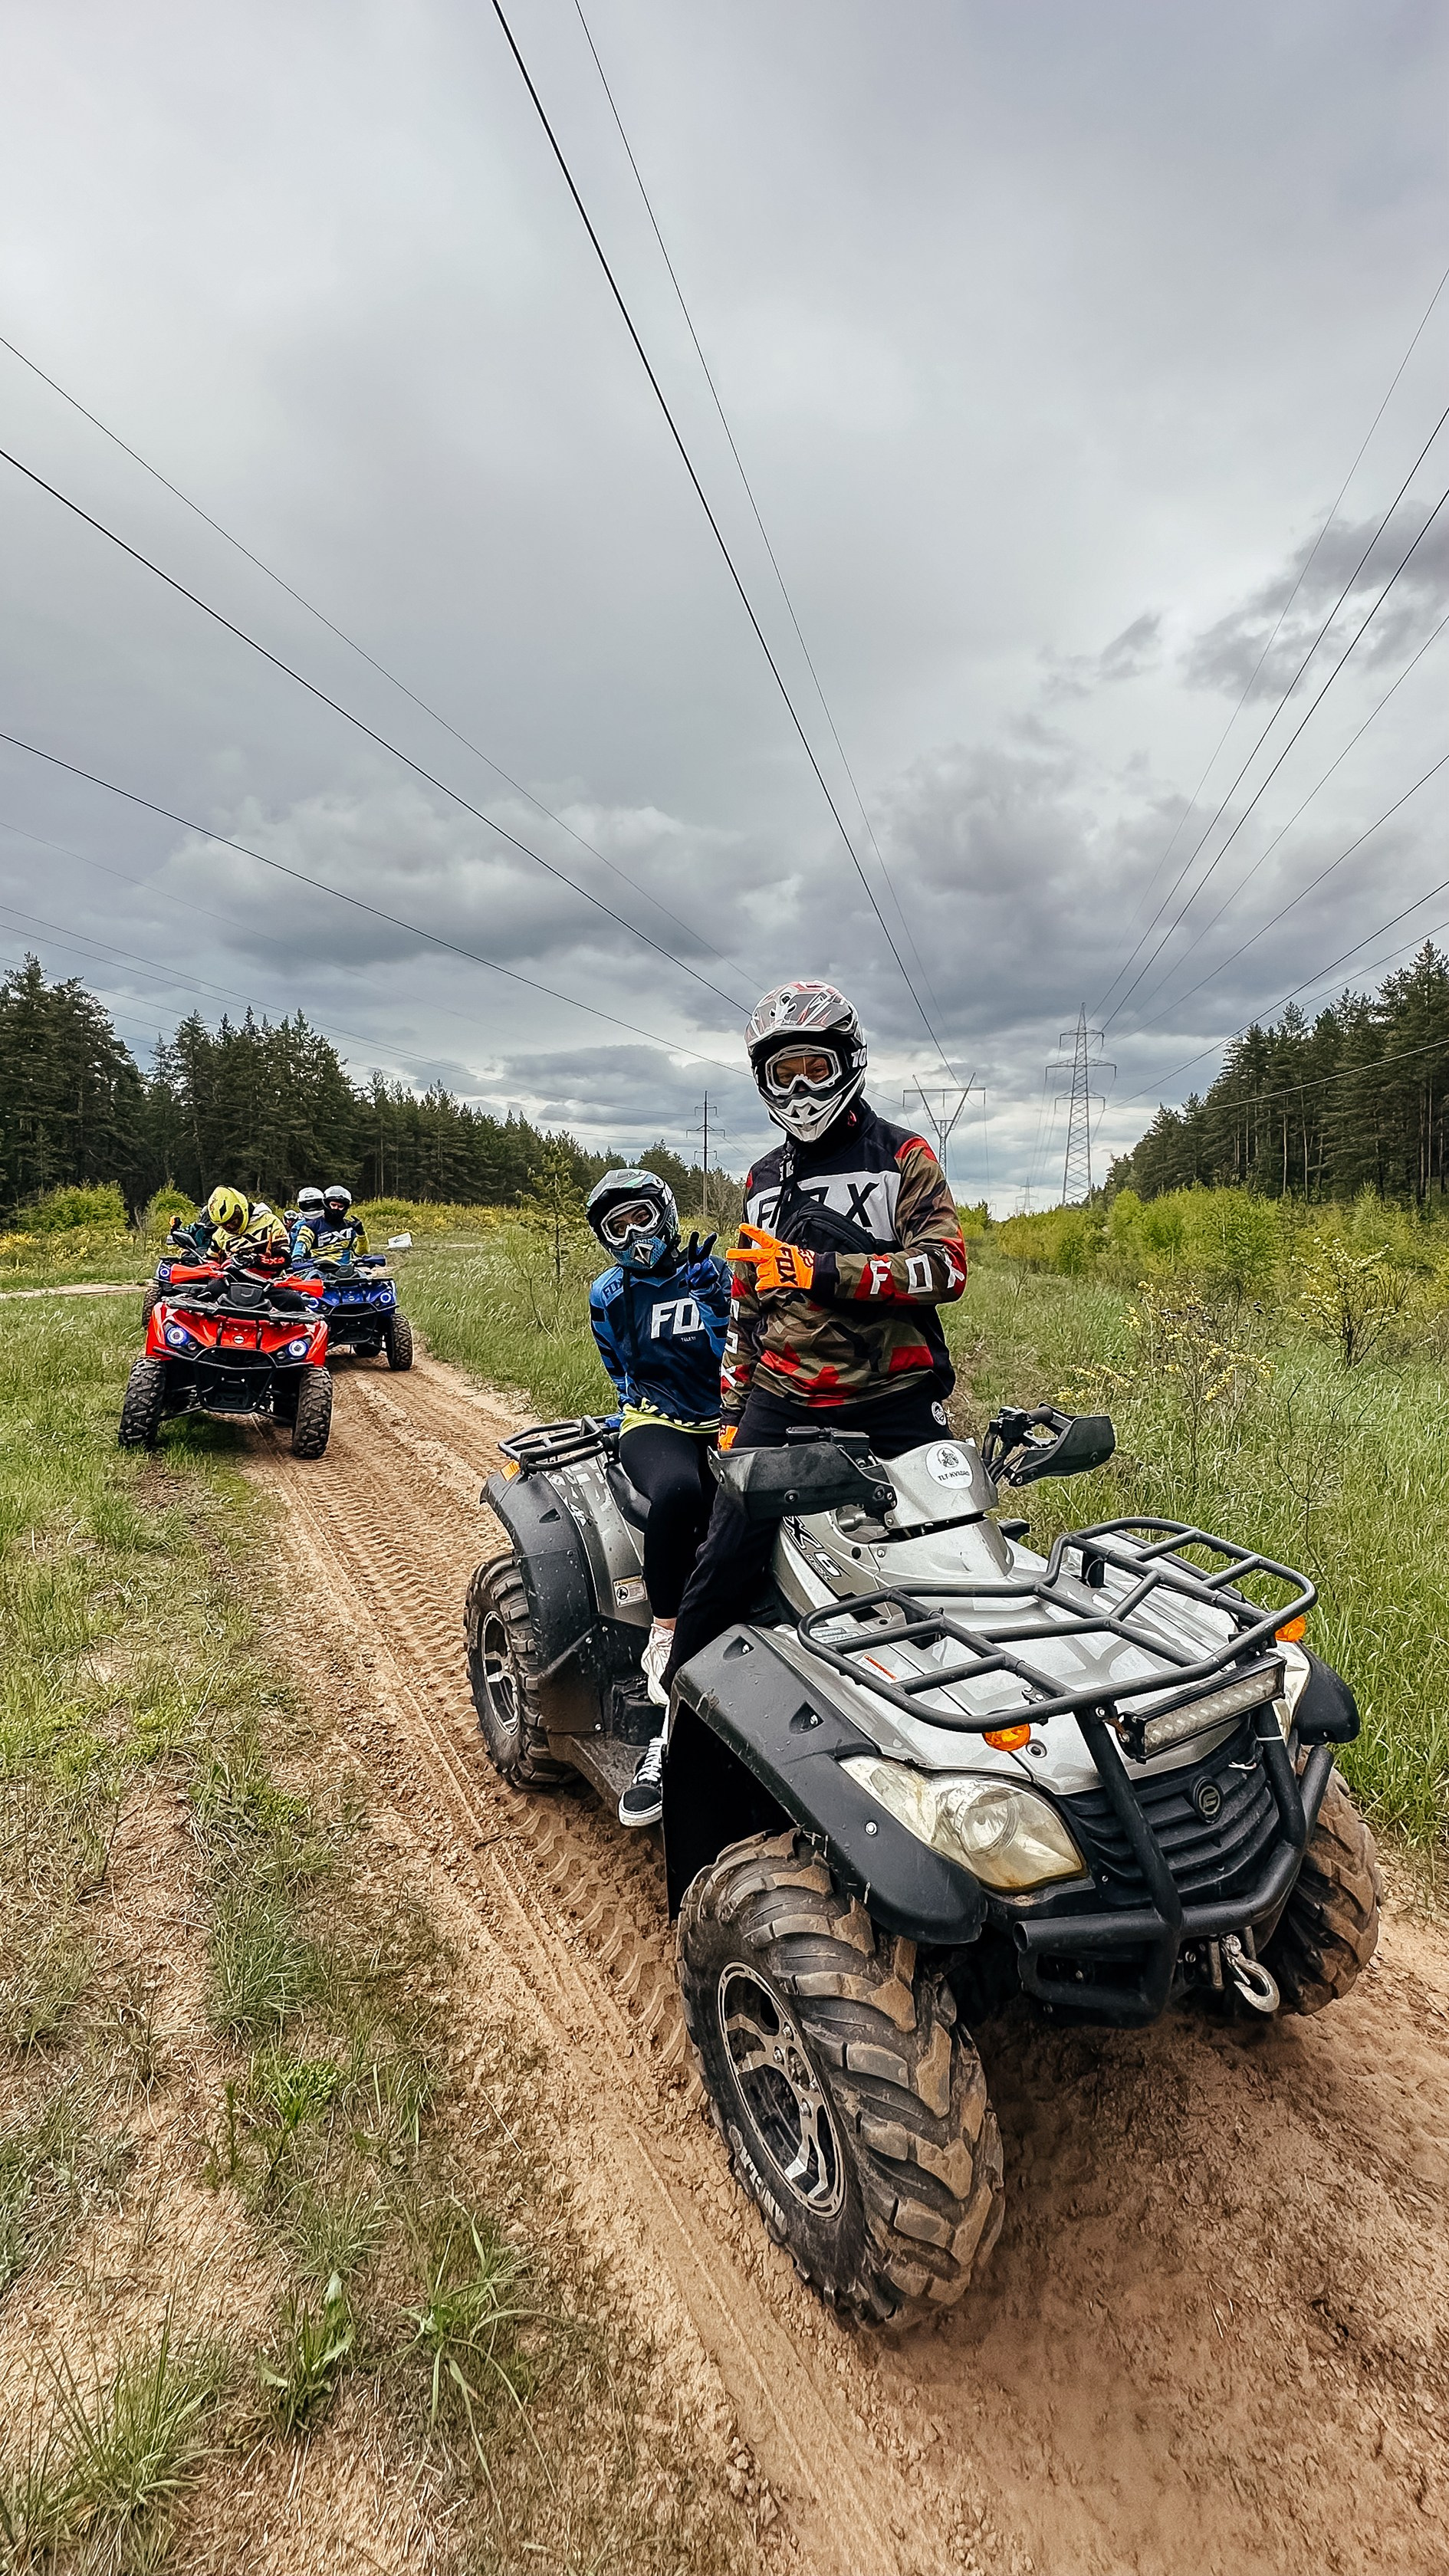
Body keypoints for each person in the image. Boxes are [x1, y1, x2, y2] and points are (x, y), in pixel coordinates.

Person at [661, 980, 968, 1701]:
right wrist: (734, 1414)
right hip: (785, 1392)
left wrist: (820, 1269)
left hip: (896, 1392)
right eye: (783, 1073)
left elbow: (946, 1267)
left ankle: (965, 1719)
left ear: (847, 1063)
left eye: (815, 1069)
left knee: (948, 1554)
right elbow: (748, 1300)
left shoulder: (903, 1155)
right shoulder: (764, 1179)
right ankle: (674, 1720)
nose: (800, 1089)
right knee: (725, 1558)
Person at [586, 1168, 731, 1827]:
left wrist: (719, 1302)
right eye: (617, 1227)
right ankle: (666, 1633)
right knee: (679, 1494)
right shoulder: (609, 1294)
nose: (633, 1234)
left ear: (665, 1213)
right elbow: (621, 1369)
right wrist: (638, 1410)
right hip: (656, 1421)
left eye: (641, 1217)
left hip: (731, 1413)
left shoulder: (713, 1271)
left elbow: (751, 1345)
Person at [200, 1185, 291, 1264]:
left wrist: (255, 1261)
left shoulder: (270, 1222)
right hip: (231, 1281)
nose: (229, 1227)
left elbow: (284, 1259)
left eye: (233, 1221)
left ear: (242, 1209)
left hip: (269, 1280)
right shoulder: (219, 1235)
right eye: (224, 1225)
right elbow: (210, 1262)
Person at [294, 1183, 369, 1267]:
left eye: (340, 1206)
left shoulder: (350, 1227)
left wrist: (361, 1235)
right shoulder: (310, 1226)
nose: (336, 1208)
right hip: (318, 1267)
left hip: (346, 1268)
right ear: (326, 1204)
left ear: (345, 1208)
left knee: (364, 1278)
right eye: (333, 1205)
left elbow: (361, 1253)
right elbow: (302, 1242)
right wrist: (297, 1257)